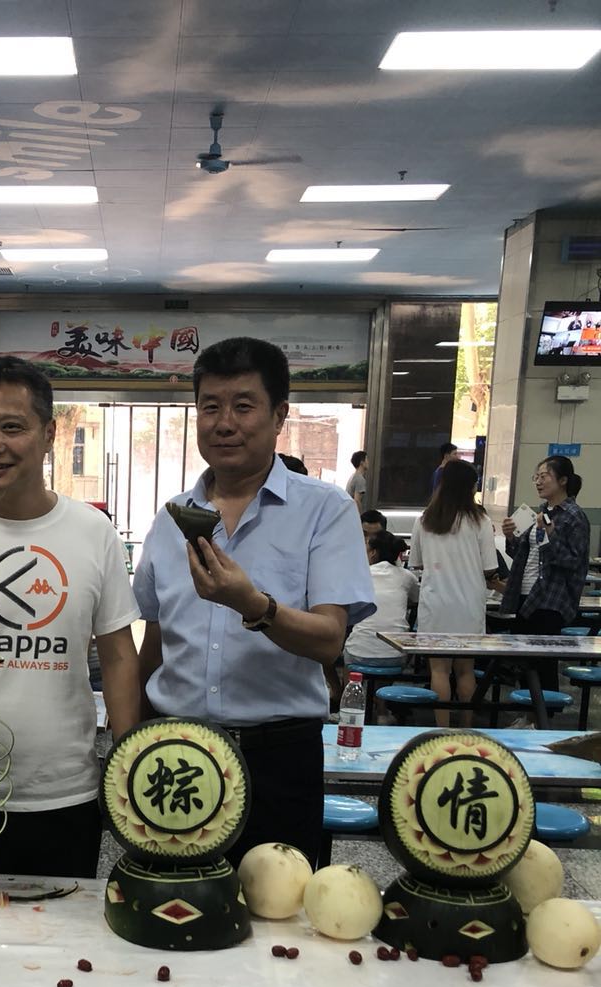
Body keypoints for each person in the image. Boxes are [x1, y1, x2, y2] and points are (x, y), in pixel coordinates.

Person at [133, 336, 375, 869]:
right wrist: (132, 740)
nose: (224, 423)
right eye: (210, 407)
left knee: (278, 904)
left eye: (243, 406)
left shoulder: (325, 510)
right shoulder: (170, 517)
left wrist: (254, 606)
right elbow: (156, 640)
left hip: (278, 759)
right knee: (173, 901)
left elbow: (329, 641)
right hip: (176, 750)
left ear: (279, 414)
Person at [0, 355, 140, 879]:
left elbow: (119, 658)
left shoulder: (93, 533)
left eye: (12, 427)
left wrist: (126, 763)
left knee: (60, 930)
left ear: (49, 434)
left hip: (64, 792)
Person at [409, 459, 498, 726]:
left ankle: (442, 729)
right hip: (469, 603)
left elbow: (417, 563)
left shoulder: (425, 520)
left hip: (436, 602)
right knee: (465, 670)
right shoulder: (481, 521)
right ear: (470, 487)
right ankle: (466, 727)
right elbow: (490, 567)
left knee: (439, 670)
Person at [499, 455, 590, 691]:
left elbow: (574, 561)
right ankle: (529, 709)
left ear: (562, 480)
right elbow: (524, 554)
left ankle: (546, 711)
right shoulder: (539, 513)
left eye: (544, 476)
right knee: (523, 662)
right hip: (526, 594)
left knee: (543, 664)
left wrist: (551, 534)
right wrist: (510, 537)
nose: (538, 482)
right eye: (536, 477)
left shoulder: (574, 516)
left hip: (551, 599)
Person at [344, 529, 419, 668]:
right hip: (396, 655)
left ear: (373, 552)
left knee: (348, 654)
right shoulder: (407, 577)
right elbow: (416, 599)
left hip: (359, 652)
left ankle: (347, 682)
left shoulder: (360, 574)